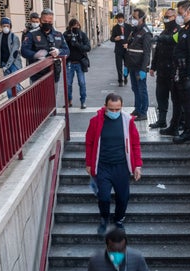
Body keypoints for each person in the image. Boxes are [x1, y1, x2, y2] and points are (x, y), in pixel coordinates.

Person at [85, 93, 142, 235]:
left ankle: (118, 220)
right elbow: (89, 143)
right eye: (112, 109)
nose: (115, 112)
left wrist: (137, 165)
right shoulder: (95, 121)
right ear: (105, 107)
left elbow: (135, 144)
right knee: (103, 197)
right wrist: (89, 163)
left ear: (121, 107)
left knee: (123, 197)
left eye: (118, 109)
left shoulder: (128, 121)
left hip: (121, 167)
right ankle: (104, 219)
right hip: (103, 166)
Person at [161, 0, 190, 143]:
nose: (178, 16)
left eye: (179, 12)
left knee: (186, 103)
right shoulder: (185, 28)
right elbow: (174, 40)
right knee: (176, 101)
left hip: (186, 73)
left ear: (187, 11)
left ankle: (188, 132)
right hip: (178, 71)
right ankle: (174, 127)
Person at [148, 9, 180, 129]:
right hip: (162, 71)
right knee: (161, 96)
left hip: (173, 71)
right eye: (165, 16)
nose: (166, 19)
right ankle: (162, 121)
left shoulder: (178, 31)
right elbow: (158, 51)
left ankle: (177, 123)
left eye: (168, 16)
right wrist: (153, 67)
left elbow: (172, 40)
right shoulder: (164, 32)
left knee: (176, 99)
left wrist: (159, 38)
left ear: (175, 17)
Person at [21, 9, 69, 83]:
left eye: (49, 22)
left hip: (54, 74)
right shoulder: (32, 34)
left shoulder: (58, 34)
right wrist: (35, 55)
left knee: (52, 94)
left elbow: (67, 51)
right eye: (44, 21)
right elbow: (24, 50)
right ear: (40, 20)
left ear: (53, 21)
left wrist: (58, 51)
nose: (47, 23)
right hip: (37, 75)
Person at [123, 9, 152, 121]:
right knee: (135, 88)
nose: (133, 19)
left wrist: (143, 69)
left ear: (141, 18)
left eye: (135, 17)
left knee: (141, 89)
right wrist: (126, 65)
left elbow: (147, 53)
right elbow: (129, 49)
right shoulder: (134, 31)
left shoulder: (146, 32)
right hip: (132, 65)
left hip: (139, 67)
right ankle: (137, 108)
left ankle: (143, 112)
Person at [64, 19, 91, 109]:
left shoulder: (82, 35)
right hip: (69, 63)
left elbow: (88, 47)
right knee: (68, 83)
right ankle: (69, 101)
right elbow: (61, 47)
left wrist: (78, 44)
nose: (75, 28)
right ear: (70, 26)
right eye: (73, 26)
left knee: (82, 83)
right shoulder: (66, 34)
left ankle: (83, 102)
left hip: (80, 62)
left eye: (77, 26)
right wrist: (68, 41)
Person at [0, 17, 22, 98]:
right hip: (4, 64)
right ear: (1, 26)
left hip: (14, 64)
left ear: (10, 26)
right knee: (8, 85)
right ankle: (11, 104)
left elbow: (14, 54)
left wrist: (7, 66)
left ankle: (19, 102)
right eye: (4, 26)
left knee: (16, 85)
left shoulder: (14, 37)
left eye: (7, 26)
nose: (5, 27)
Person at [110, 13, 131, 86]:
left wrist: (128, 44)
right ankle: (120, 80)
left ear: (124, 19)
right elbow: (111, 38)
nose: (119, 19)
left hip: (127, 49)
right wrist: (115, 39)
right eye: (118, 18)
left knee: (126, 65)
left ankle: (125, 76)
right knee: (118, 66)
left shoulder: (129, 27)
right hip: (118, 50)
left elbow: (132, 38)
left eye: (120, 18)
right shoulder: (115, 27)